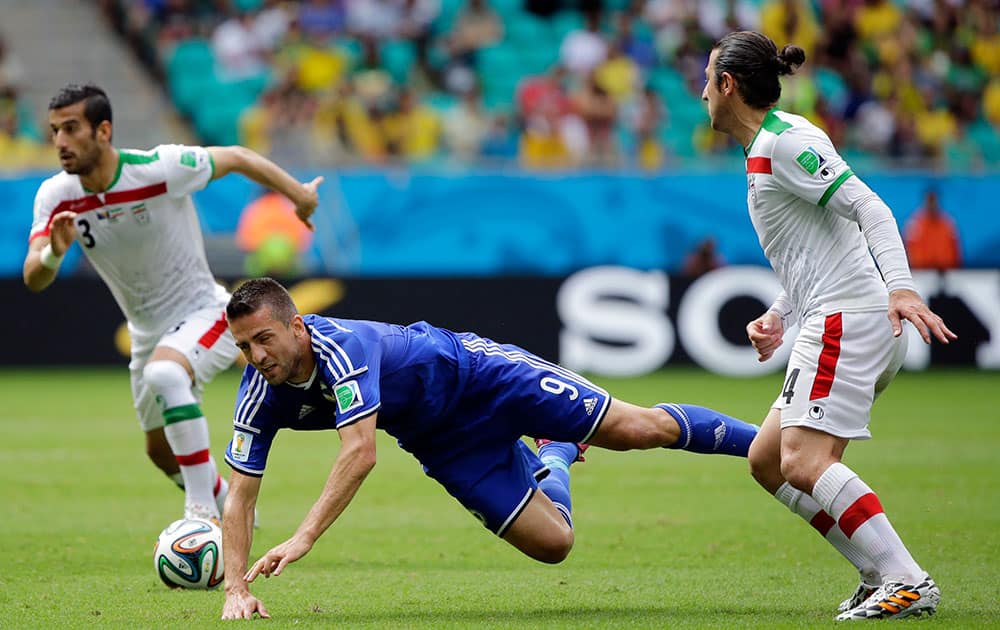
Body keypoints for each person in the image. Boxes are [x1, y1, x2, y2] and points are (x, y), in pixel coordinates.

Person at [219, 277, 760, 620]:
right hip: (443, 440)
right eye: (244, 346)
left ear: (296, 326)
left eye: (265, 338)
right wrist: (235, 590)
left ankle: (768, 445)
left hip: (484, 376)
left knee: (637, 430)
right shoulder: (258, 394)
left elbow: (359, 453)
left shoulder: (342, 348)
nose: (257, 354)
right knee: (554, 544)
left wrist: (304, 536)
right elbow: (240, 494)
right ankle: (555, 453)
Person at [700, 31, 957, 621]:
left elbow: (870, 208)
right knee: (769, 460)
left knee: (805, 462)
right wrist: (778, 313)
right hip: (832, 311)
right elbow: (812, 253)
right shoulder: (766, 148)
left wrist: (902, 285)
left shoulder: (785, 142)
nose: (700, 94)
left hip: (852, 316)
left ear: (728, 85)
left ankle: (905, 579)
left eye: (706, 78)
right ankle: (877, 575)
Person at [23, 84, 322, 523]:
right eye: (54, 131)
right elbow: (34, 277)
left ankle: (201, 515)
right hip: (147, 331)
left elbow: (237, 156)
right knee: (161, 453)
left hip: (205, 312)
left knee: (164, 373)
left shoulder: (157, 168)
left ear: (103, 130)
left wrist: (299, 195)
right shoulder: (56, 196)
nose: (61, 142)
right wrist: (53, 252)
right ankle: (230, 505)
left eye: (71, 128)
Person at [903, 188, 962, 270]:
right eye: (929, 200)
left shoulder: (948, 223)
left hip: (944, 270)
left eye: (933, 200)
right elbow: (908, 250)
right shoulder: (914, 224)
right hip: (920, 271)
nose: (932, 204)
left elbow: (955, 249)